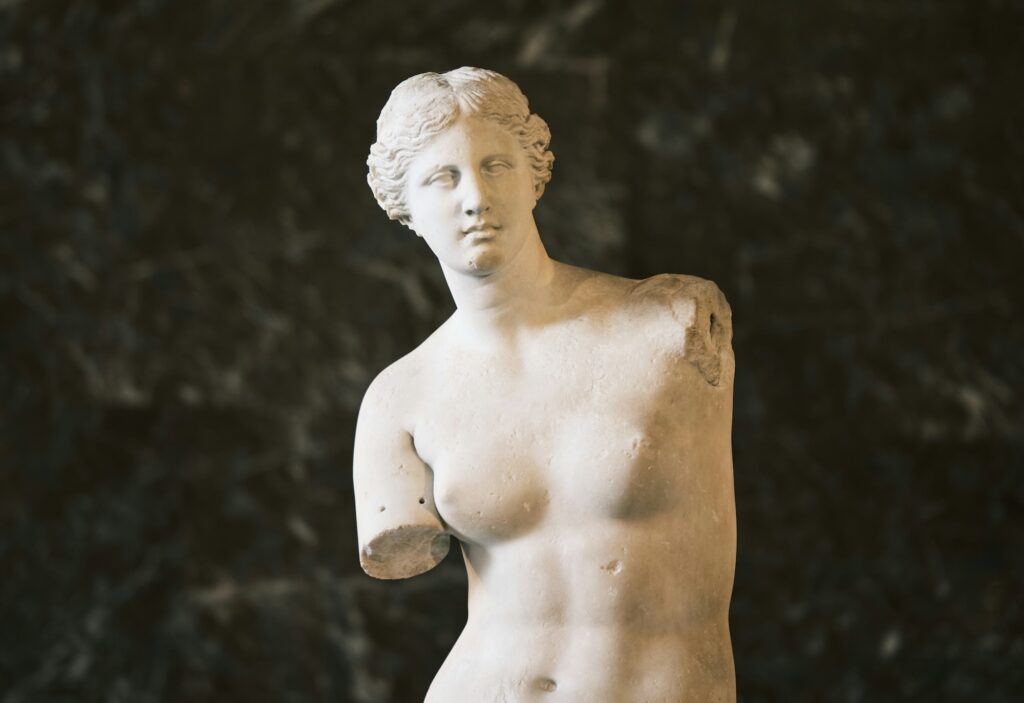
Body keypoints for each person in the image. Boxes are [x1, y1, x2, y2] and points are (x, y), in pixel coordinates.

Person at [354, 67, 736, 702]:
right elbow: (398, 549)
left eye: (496, 165)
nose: (475, 197)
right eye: (442, 178)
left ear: (535, 173)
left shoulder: (670, 322)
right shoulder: (399, 399)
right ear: (403, 206)